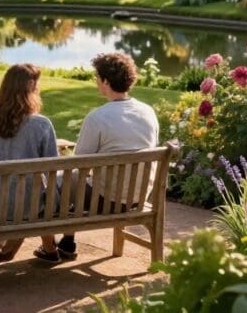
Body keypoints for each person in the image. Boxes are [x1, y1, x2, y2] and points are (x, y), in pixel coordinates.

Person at [34, 52, 159, 261]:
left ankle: (64, 242)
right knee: (77, 178)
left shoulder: (98, 117)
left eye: (97, 77)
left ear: (106, 81)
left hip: (106, 201)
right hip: (138, 198)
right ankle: (66, 243)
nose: (95, 81)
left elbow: (79, 162)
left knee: (67, 178)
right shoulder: (148, 112)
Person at [0, 63, 62, 265]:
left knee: (25, 194)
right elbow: (53, 167)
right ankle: (43, 249)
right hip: (30, 207)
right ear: (31, 87)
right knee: (40, 195)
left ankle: (34, 250)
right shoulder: (41, 124)